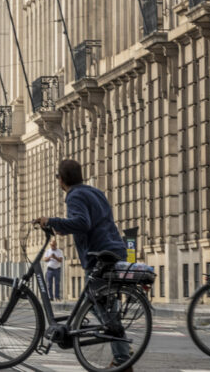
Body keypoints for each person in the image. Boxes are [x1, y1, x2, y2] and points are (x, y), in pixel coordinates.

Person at [36, 159, 130, 370]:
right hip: (114, 249)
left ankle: (123, 358)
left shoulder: (74, 195)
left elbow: (82, 222)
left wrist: (52, 221)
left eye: (57, 177)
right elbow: (92, 222)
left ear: (62, 179)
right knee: (105, 306)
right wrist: (65, 227)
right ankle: (123, 359)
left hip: (99, 256)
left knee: (98, 306)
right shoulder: (94, 192)